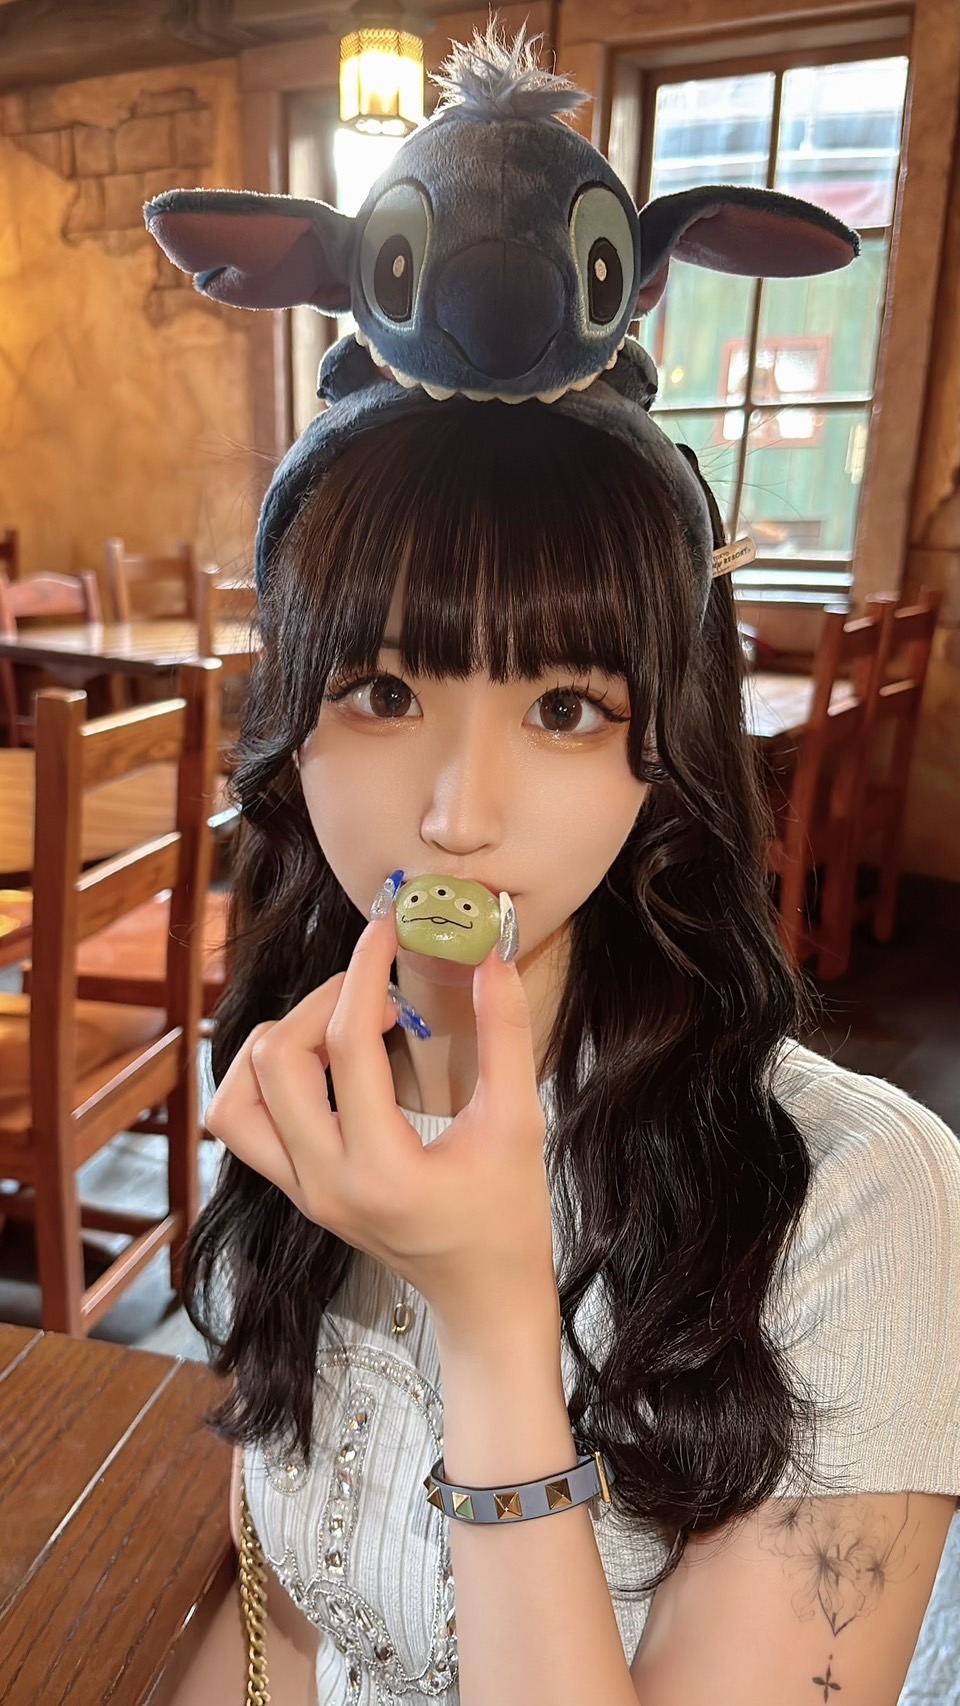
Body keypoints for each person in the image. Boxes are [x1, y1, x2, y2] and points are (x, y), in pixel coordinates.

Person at [148, 24, 960, 1706]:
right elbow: (276, 1621)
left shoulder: (856, 1207)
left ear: (667, 750)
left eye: (567, 705)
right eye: (384, 691)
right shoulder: (307, 1081)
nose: (458, 813)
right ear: (291, 724)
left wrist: (497, 1320)